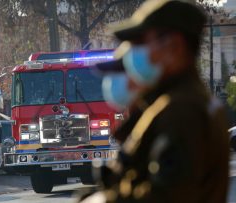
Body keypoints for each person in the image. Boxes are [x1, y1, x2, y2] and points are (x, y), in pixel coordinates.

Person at [80, 0, 230, 202]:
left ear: (175, 45)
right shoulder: (182, 103)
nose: (136, 53)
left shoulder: (182, 111)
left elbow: (167, 195)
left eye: (142, 42)